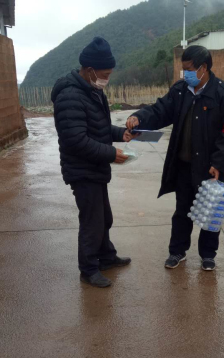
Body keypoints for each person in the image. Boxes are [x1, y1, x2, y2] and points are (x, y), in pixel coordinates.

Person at [126, 45, 224, 272]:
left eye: (189, 69)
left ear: (203, 68)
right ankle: (177, 251)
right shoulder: (180, 91)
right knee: (182, 212)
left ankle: (208, 255)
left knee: (210, 213)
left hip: (211, 168)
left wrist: (218, 163)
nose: (185, 74)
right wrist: (139, 117)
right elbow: (160, 110)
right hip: (184, 166)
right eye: (184, 69)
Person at [51, 37, 133, 288]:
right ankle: (88, 269)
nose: (106, 79)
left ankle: (106, 257)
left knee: (104, 217)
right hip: (82, 171)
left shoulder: (92, 91)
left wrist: (120, 134)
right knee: (92, 222)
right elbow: (76, 140)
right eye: (104, 74)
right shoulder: (70, 96)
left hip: (94, 168)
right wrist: (111, 154)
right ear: (89, 70)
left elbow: (98, 127)